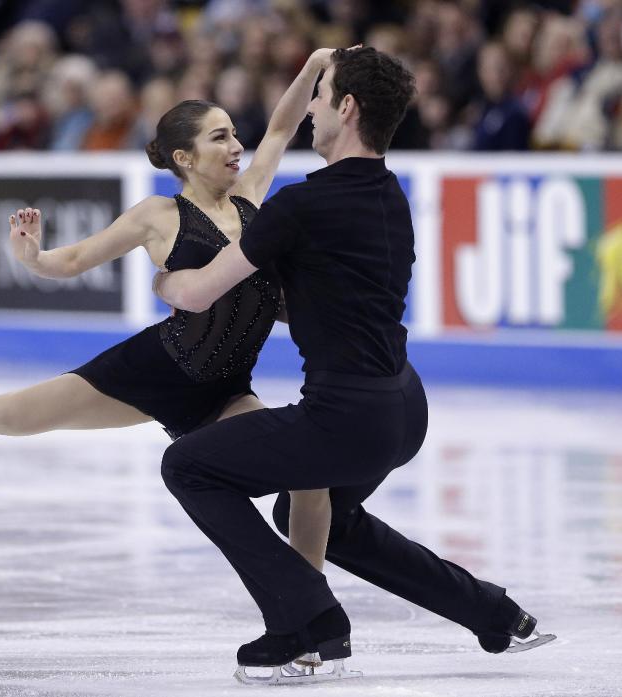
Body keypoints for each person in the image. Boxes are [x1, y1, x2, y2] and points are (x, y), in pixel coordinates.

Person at [0, 48, 344, 577]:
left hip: (224, 391)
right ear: (184, 156)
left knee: (311, 476)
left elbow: (280, 127)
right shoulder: (156, 214)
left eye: (233, 134)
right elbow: (74, 259)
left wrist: (317, 65)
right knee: (5, 416)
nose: (235, 146)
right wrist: (32, 256)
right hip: (153, 369)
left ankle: (309, 610)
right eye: (219, 137)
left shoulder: (251, 197)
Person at [153, 47, 554, 685]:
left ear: (346, 107)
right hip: (404, 409)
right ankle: (494, 613)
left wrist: (165, 281)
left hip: (345, 418)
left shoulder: (300, 207)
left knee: (189, 466)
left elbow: (199, 292)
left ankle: (305, 621)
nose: (310, 108)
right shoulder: (391, 197)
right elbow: (325, 300)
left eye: (322, 94)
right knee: (318, 519)